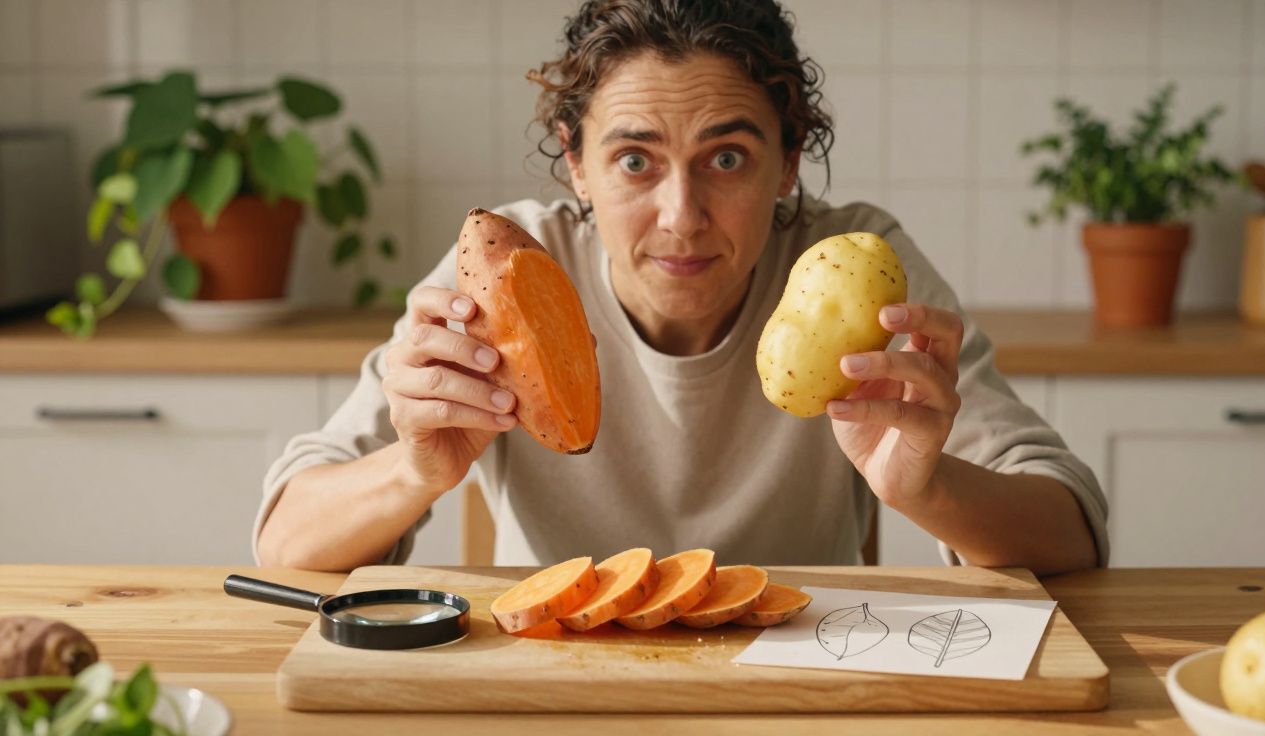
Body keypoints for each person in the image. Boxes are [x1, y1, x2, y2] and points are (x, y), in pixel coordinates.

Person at [254, 0, 1107, 575]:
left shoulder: (855, 260)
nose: (682, 215)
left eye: (727, 158)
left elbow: (1073, 529)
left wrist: (930, 487)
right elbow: (283, 540)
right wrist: (412, 471)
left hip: (797, 693)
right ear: (577, 164)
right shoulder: (512, 271)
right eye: (635, 160)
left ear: (788, 160)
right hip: (557, 691)